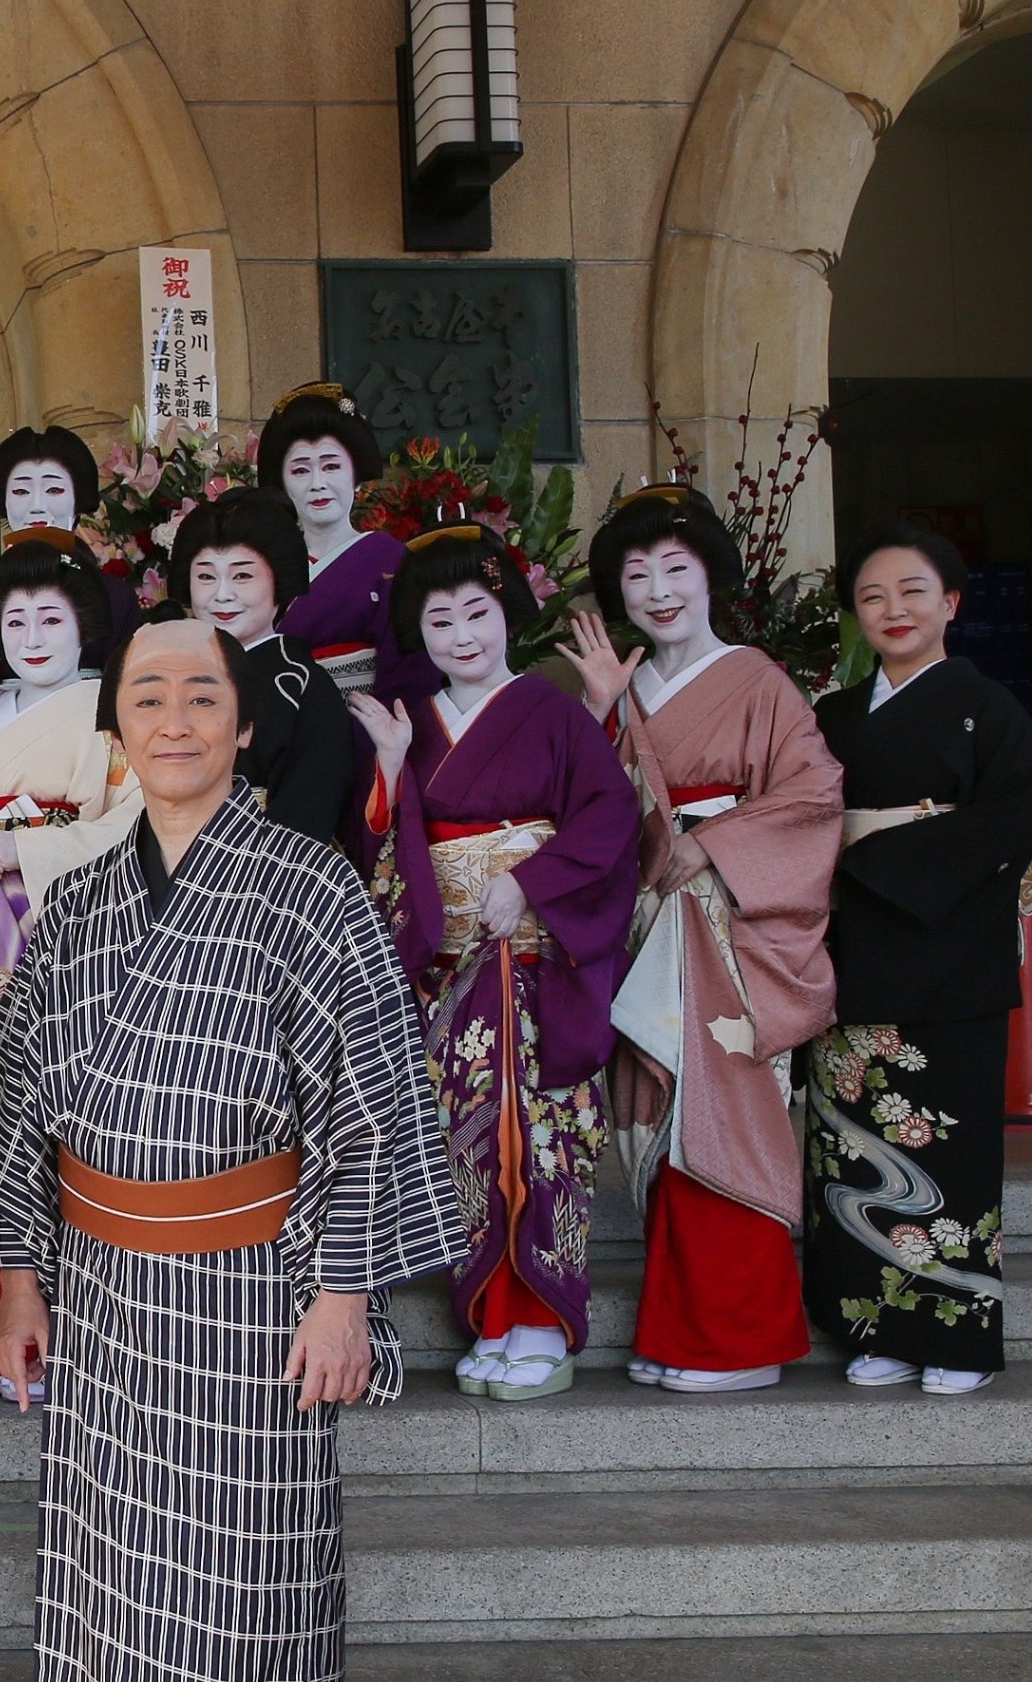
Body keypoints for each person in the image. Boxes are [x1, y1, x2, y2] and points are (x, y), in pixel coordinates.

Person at [0, 617, 462, 1682]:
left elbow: (370, 1104)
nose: (172, 719)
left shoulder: (308, 886)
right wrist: (15, 1275)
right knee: (113, 1552)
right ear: (117, 728)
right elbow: (17, 1101)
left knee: (255, 1558)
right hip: (104, 1283)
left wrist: (346, 1288)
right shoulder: (79, 901)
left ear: (242, 724)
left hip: (256, 1284)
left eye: (199, 696)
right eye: (147, 696)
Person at [566, 487, 841, 1396]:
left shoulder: (756, 678)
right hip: (651, 926)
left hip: (730, 933)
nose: (656, 589)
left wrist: (716, 843)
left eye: (674, 569)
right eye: (636, 573)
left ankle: (740, 1337)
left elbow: (811, 798)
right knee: (657, 1125)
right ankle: (677, 1325)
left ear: (710, 574)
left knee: (725, 1124)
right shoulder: (625, 685)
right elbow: (597, 812)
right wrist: (609, 711)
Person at [354, 526, 638, 1401]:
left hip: (539, 965)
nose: (460, 634)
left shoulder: (550, 713)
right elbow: (383, 851)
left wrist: (531, 880)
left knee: (543, 1141)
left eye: (476, 612)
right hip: (453, 970)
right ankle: (491, 1314)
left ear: (506, 613)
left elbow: (608, 819)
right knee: (466, 1146)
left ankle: (545, 1319)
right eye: (438, 621)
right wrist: (395, 771)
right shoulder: (418, 726)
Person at [804, 527, 1032, 1395]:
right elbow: (796, 814)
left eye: (912, 592)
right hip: (846, 953)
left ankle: (953, 1336)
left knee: (944, 1149)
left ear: (950, 603)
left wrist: (881, 859)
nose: (892, 610)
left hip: (947, 955)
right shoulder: (832, 715)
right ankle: (875, 1325)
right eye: (872, 597)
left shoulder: (989, 709)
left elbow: (1018, 812)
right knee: (851, 1148)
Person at [0, 545, 144, 1342]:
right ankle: (1, 1312)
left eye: (51, 616)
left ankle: (72, 1320)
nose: (33, 634)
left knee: (62, 1106)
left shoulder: (111, 714)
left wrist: (31, 850)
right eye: (15, 619)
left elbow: (133, 820)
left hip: (66, 933)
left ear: (83, 624)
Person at [166, 496, 350, 846]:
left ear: (278, 581)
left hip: (268, 879)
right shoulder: (167, 678)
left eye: (243, 575)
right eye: (205, 576)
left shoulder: (304, 688)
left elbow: (308, 816)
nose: (222, 595)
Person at [0, 426, 139, 730]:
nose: (37, 506)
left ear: (78, 498)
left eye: (54, 490)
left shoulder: (115, 597)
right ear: (3, 502)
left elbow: (132, 697)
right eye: (21, 491)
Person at [264, 382, 433, 708]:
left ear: (355, 475)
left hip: (363, 728)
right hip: (273, 728)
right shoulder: (261, 564)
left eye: (331, 466)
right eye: (300, 470)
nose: (318, 483)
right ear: (282, 484)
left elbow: (412, 670)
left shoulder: (390, 560)